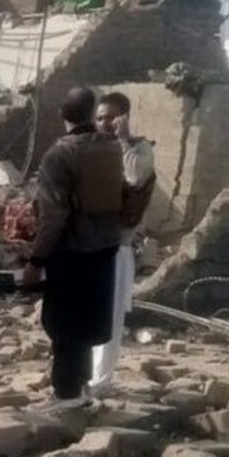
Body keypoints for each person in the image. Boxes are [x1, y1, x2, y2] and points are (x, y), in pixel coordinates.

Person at [23, 87, 124, 408]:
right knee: (87, 323)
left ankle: (66, 395)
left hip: (72, 253)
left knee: (65, 325)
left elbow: (53, 216)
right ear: (91, 113)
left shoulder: (60, 155)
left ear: (62, 115)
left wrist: (36, 260)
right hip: (105, 249)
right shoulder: (111, 148)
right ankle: (81, 387)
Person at [90, 91, 156, 395]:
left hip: (115, 249)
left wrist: (125, 140)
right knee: (85, 316)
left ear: (124, 118)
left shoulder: (140, 149)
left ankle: (100, 382)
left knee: (109, 319)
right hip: (86, 246)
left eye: (111, 117)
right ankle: (79, 377)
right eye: (100, 117)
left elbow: (135, 177)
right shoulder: (91, 149)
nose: (105, 123)